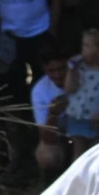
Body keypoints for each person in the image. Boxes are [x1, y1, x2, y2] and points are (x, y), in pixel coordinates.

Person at [64, 28, 99, 159]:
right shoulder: (78, 68)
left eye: (88, 46)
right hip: (78, 116)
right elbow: (69, 89)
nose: (83, 49)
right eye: (83, 45)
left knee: (98, 152)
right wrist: (71, 70)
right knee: (78, 153)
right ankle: (76, 178)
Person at [31, 40, 69, 178]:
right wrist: (53, 114)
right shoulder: (39, 90)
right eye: (52, 71)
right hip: (59, 138)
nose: (58, 75)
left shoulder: (81, 79)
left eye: (61, 69)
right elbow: (46, 138)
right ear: (44, 69)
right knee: (47, 157)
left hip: (86, 134)